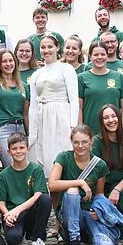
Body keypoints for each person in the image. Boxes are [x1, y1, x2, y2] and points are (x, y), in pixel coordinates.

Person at [48, 125, 120, 245]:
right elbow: (51, 185)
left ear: (91, 141)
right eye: (76, 142)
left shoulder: (99, 165)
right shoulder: (63, 157)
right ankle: (75, 240)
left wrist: (99, 210)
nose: (80, 146)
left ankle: (89, 234)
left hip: (88, 213)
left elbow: (99, 194)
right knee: (72, 190)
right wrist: (79, 182)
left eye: (84, 142)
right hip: (68, 213)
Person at [28, 34, 79, 177]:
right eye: (43, 47)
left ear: (57, 48)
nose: (46, 50)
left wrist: (72, 126)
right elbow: (32, 105)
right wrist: (32, 132)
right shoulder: (37, 74)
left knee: (59, 152)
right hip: (42, 117)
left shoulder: (66, 69)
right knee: (43, 154)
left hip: (60, 115)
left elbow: (74, 100)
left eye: (50, 46)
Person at [0, 133, 51, 245]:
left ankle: (37, 239)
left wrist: (17, 209)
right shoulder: (4, 175)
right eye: (14, 149)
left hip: (30, 210)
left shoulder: (36, 169)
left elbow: (38, 195)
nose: (18, 151)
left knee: (45, 199)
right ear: (9, 152)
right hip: (13, 216)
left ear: (27, 149)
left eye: (21, 148)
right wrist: (7, 215)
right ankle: (22, 237)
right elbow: (0, 202)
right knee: (13, 239)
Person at [91, 105, 123, 227]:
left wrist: (117, 189)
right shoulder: (97, 141)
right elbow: (96, 173)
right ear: (101, 122)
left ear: (119, 117)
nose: (111, 120)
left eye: (113, 116)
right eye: (106, 118)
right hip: (104, 188)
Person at [0, 50, 28, 168]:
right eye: (4, 61)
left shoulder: (23, 85)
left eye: (11, 60)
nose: (8, 64)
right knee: (11, 167)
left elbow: (26, 113)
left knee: (23, 166)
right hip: (2, 129)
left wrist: (29, 134)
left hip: (21, 128)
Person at [78, 42, 123, 135]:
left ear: (107, 55)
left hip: (114, 130)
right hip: (91, 131)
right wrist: (81, 130)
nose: (99, 57)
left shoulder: (118, 76)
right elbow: (79, 107)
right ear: (90, 57)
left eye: (102, 54)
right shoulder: (81, 78)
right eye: (96, 54)